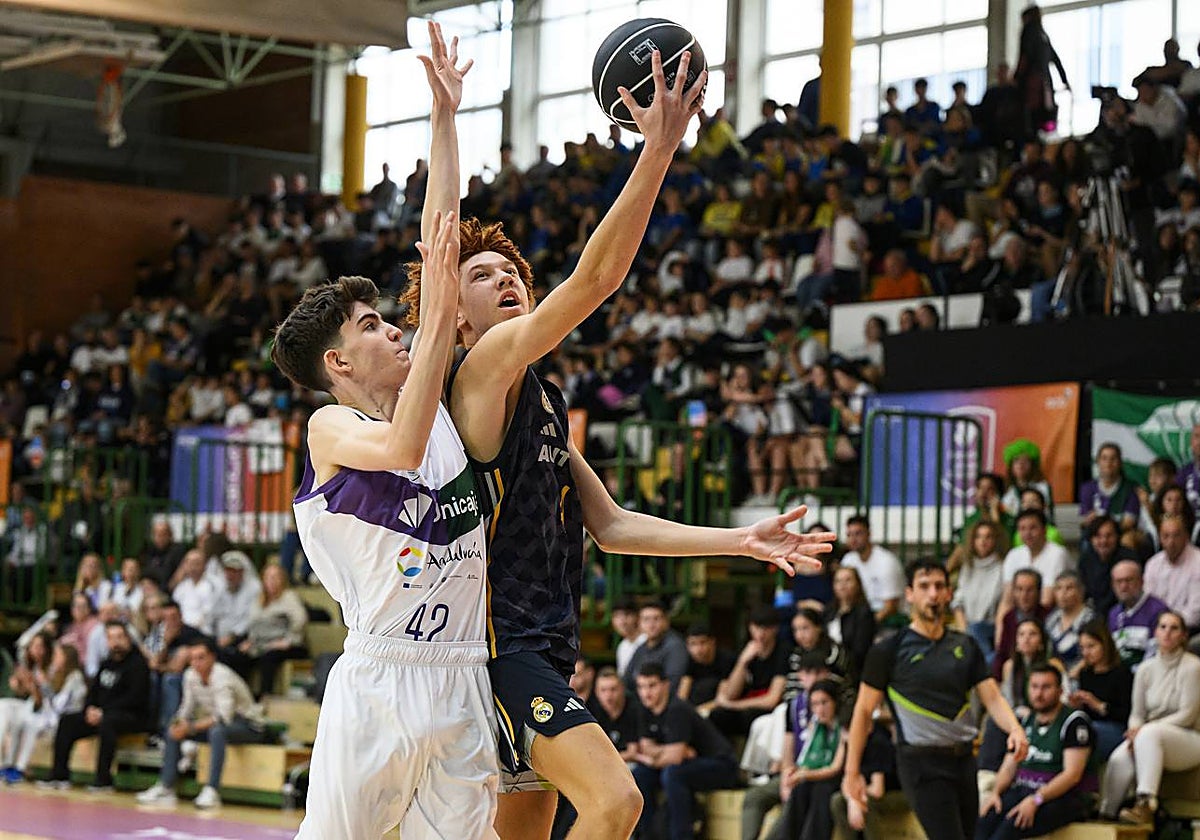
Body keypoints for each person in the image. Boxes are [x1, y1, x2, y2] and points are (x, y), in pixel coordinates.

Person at [402, 45, 835, 840]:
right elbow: (595, 282)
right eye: (483, 274)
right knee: (617, 802)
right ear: (453, 312)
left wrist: (740, 539)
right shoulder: (481, 367)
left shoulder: (543, 398)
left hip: (542, 646)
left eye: (515, 273)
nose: (507, 280)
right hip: (501, 652)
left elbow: (611, 524)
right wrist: (659, 150)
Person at [271, 22, 497, 840]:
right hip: (379, 679)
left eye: (391, 318)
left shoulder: (439, 403)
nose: (394, 329)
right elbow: (399, 452)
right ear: (338, 360)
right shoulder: (330, 427)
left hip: (461, 676)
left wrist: (444, 115)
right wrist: (436, 312)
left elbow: (439, 245)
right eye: (373, 325)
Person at [843, 559, 1029, 840]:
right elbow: (863, 711)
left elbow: (992, 697)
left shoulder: (965, 645)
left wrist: (1014, 728)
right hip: (921, 763)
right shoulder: (888, 650)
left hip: (964, 760)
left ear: (948, 594)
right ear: (909, 594)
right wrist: (852, 772)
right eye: (924, 586)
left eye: (939, 586)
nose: (932, 594)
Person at [137, 639, 265, 809]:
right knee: (173, 731)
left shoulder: (222, 677)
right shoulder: (190, 675)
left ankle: (212, 790)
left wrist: (190, 727)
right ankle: (166, 787)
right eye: (192, 658)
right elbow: (186, 708)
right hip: (218, 724)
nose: (195, 663)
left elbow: (223, 717)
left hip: (249, 726)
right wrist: (179, 723)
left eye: (201, 658)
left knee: (217, 732)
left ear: (212, 657)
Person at [1098, 611, 1200, 824]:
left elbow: (1188, 714)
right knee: (1119, 757)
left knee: (1150, 733)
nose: (1167, 633)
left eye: (1174, 628)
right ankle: (1107, 814)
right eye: (1162, 627)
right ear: (1155, 632)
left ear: (1183, 635)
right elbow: (1137, 713)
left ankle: (1145, 804)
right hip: (1150, 736)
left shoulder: (1193, 667)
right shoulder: (1145, 669)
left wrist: (1144, 730)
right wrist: (1135, 730)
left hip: (1189, 737)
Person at [976, 664, 1097, 840]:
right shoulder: (1026, 721)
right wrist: (995, 793)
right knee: (984, 821)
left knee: (1009, 828)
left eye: (1046, 687)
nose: (1039, 694)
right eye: (1034, 687)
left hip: (1064, 798)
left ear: (1060, 690)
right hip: (1024, 791)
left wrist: (1036, 800)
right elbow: (1009, 765)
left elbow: (1072, 775)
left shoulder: (1074, 722)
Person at [631, 662, 739, 840]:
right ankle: (646, 836)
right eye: (641, 687)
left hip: (721, 765)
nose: (646, 693)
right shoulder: (644, 710)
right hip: (688, 763)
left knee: (673, 774)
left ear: (665, 685)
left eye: (652, 686)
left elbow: (672, 757)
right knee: (641, 774)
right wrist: (666, 753)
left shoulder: (677, 709)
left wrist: (657, 756)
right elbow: (647, 748)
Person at [42, 621, 149, 792]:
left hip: (131, 716)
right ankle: (59, 776)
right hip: (101, 714)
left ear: (128, 638)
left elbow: (135, 698)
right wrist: (89, 708)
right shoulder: (106, 663)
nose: (116, 642)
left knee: (108, 723)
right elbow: (94, 692)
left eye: (120, 637)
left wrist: (103, 712)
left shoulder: (138, 664)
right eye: (111, 638)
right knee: (68, 721)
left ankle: (103, 780)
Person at [765, 679, 845, 840]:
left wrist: (804, 775)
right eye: (815, 704)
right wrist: (794, 773)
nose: (820, 709)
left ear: (835, 702)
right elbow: (805, 762)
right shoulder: (815, 725)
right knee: (800, 790)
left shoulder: (844, 726)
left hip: (840, 779)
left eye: (824, 703)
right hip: (818, 778)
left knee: (821, 791)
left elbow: (836, 768)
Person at [0, 641, 86, 784]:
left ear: (67, 658)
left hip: (64, 720)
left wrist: (43, 685)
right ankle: (9, 765)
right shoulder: (56, 673)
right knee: (19, 723)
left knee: (31, 726)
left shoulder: (74, 677)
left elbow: (59, 705)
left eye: (58, 655)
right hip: (48, 716)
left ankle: (20, 768)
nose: (55, 658)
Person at [709, 605, 789, 739]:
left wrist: (733, 706)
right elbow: (730, 693)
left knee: (749, 717)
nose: (760, 634)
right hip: (748, 702)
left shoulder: (783, 651)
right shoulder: (748, 649)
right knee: (718, 715)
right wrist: (742, 662)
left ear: (775, 629)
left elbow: (772, 700)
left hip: (770, 708)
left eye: (765, 628)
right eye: (756, 627)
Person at [1068, 621, 1133, 760]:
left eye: (1091, 646)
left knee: (1084, 732)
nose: (1086, 653)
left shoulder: (1121, 673)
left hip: (1116, 728)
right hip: (1090, 724)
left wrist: (1099, 705)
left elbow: (1126, 714)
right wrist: (1077, 706)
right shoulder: (1085, 673)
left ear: (1105, 644)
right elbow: (1085, 714)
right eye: (1082, 648)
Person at [1013, 4, 1069, 136]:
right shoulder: (1043, 35)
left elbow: (1024, 56)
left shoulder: (1029, 31)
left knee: (1030, 117)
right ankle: (1046, 136)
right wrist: (1064, 80)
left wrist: (1017, 77)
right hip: (1045, 83)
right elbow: (1056, 59)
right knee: (1046, 115)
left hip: (1031, 82)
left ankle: (1032, 140)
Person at [839, 515, 904, 627]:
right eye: (849, 535)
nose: (853, 539)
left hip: (889, 620)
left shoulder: (887, 561)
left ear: (869, 534)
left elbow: (891, 605)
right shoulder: (848, 560)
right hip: (860, 616)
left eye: (858, 533)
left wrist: (867, 626)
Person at [1143, 515, 1200, 632]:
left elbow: (1195, 614)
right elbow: (1148, 603)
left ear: (1186, 536)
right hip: (1158, 629)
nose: (1171, 542)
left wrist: (1169, 624)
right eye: (1166, 536)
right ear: (1159, 538)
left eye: (1176, 536)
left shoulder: (1198, 562)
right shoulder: (1153, 564)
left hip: (1188, 630)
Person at [1107, 560, 1169, 666]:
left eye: (1129, 580)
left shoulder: (1158, 611)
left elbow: (1158, 654)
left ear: (1141, 581)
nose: (1123, 586)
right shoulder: (1113, 614)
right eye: (1119, 581)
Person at [624, 602, 689, 695]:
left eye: (656, 619)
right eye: (646, 620)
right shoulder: (641, 647)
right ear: (639, 624)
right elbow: (627, 680)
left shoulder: (675, 646)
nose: (651, 624)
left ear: (666, 622)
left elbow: (672, 685)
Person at [677, 622, 735, 710]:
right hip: (695, 708)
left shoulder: (726, 660)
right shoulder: (690, 660)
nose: (698, 649)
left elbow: (722, 698)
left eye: (702, 643)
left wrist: (697, 713)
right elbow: (682, 695)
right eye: (693, 644)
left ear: (712, 642)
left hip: (718, 708)